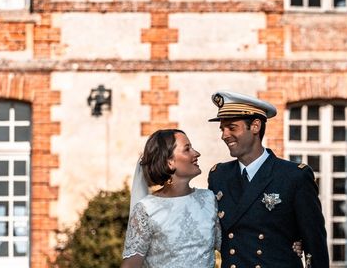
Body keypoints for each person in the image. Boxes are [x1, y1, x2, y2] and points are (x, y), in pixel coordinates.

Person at [207, 90, 330, 268]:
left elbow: (315, 244)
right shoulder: (219, 175)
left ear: (255, 126)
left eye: (232, 127)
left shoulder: (293, 176)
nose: (224, 135)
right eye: (222, 129)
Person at [121, 129, 220, 268]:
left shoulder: (209, 199)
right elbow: (131, 265)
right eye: (187, 149)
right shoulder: (147, 209)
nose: (197, 153)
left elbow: (230, 247)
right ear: (170, 162)